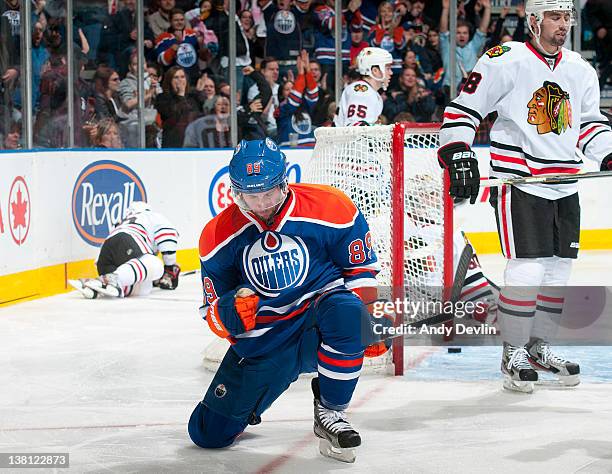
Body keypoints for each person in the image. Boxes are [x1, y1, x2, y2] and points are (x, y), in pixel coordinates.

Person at [437, 0, 612, 393]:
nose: (563, 24)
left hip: (566, 183)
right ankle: (512, 349)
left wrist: (609, 151)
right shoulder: (505, 59)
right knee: (528, 269)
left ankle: (540, 345)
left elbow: (588, 125)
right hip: (522, 182)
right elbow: (465, 109)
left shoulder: (580, 69)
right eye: (554, 16)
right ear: (533, 21)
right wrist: (459, 151)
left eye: (567, 16)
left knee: (558, 272)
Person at [188, 138, 392, 463]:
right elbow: (210, 312)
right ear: (236, 193)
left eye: (268, 193)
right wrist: (229, 313)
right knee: (207, 433)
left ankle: (330, 411)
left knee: (349, 316)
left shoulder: (331, 206)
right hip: (267, 342)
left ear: (285, 181)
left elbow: (360, 269)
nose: (262, 203)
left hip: (320, 319)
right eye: (251, 196)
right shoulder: (218, 235)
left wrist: (370, 318)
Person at [69, 201, 180, 299]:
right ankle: (111, 279)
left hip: (105, 256)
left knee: (144, 288)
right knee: (156, 264)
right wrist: (169, 267)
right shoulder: (153, 216)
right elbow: (167, 237)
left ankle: (98, 284)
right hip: (128, 240)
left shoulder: (123, 221)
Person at [334, 47, 393, 126]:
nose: (391, 73)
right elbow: (356, 129)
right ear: (375, 71)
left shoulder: (368, 91)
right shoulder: (361, 92)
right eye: (388, 68)